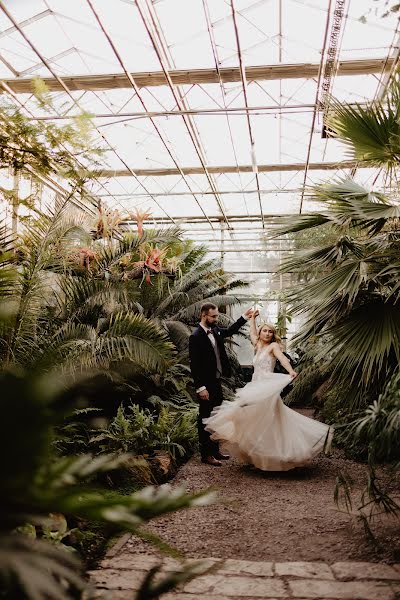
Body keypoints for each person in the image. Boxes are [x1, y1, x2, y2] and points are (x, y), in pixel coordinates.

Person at [203, 310, 333, 471]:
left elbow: (282, 358)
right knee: (252, 418)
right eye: (265, 330)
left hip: (267, 387)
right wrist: (252, 319)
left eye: (270, 331)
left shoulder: (273, 346)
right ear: (261, 332)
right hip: (255, 386)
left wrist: (290, 370)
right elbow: (252, 332)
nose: (267, 333)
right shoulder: (257, 345)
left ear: (273, 335)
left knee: (269, 420)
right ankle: (257, 456)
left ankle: (274, 455)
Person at [189, 303, 254, 466]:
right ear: (204, 315)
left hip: (217, 381)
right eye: (214, 316)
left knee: (216, 417)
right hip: (205, 385)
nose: (216, 319)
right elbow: (195, 365)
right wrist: (200, 387)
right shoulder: (195, 337)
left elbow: (230, 331)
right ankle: (206, 455)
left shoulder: (215, 330)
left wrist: (244, 317)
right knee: (205, 418)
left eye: (217, 316)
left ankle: (215, 450)